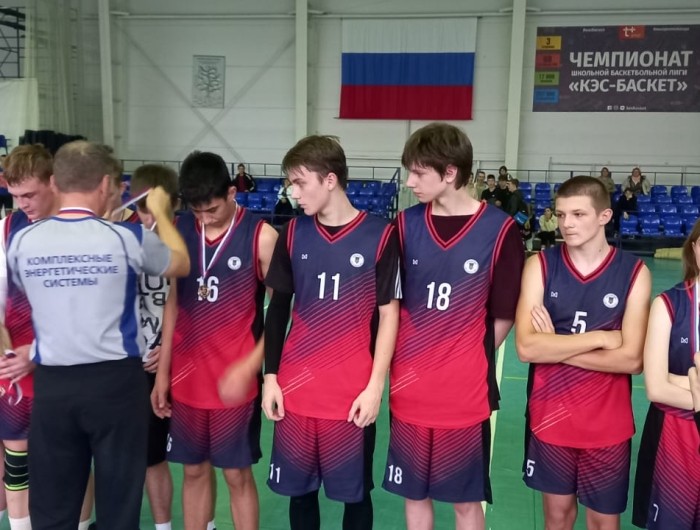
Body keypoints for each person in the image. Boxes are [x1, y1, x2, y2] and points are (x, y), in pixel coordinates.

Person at [6, 141, 190, 530]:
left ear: (55, 183)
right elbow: (180, 263)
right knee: (119, 506)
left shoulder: (21, 242)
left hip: (53, 385)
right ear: (106, 184)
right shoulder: (126, 238)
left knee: (53, 505)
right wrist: (161, 212)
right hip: (115, 385)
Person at [383, 123, 525, 530]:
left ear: (450, 172)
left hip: (464, 393)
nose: (409, 182)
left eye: (418, 173)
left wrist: (464, 356)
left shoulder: (499, 230)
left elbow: (504, 314)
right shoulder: (405, 225)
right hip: (409, 387)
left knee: (465, 502)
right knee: (415, 494)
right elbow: (390, 304)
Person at [262, 135, 401, 530]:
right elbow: (277, 310)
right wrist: (271, 378)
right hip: (296, 389)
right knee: (301, 493)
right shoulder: (293, 233)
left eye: (299, 182)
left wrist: (375, 387)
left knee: (355, 495)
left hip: (351, 392)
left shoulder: (380, 235)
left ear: (329, 180)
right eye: (290, 183)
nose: (293, 192)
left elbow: (389, 315)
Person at [515, 175, 651, 530]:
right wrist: (600, 338)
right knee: (557, 518)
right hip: (551, 418)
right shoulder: (540, 265)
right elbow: (527, 347)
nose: (567, 224)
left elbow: (632, 359)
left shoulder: (634, 273)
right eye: (561, 215)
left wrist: (555, 346)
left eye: (578, 214)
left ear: (604, 216)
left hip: (608, 425)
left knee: (603, 522)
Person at [152, 151, 278, 530]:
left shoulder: (261, 237)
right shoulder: (180, 231)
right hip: (187, 377)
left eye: (212, 209)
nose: (204, 218)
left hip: (234, 382)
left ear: (231, 193)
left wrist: (252, 367)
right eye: (197, 211)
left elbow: (282, 313)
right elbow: (173, 302)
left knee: (236, 475)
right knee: (193, 470)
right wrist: (163, 373)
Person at [632, 222, 700, 530]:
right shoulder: (669, 304)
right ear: (693, 248)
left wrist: (678, 379)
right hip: (676, 434)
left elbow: (666, 379)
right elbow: (656, 387)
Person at [128, 164, 180, 530]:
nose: (149, 218)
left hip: (177, 364)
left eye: (156, 209)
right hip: (133, 364)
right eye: (142, 209)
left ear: (174, 204)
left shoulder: (188, 242)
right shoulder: (125, 240)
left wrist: (173, 346)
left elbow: (201, 307)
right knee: (136, 456)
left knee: (185, 458)